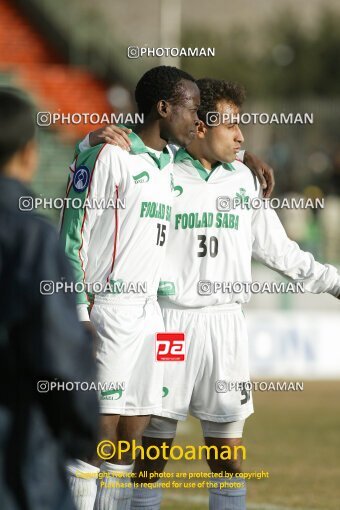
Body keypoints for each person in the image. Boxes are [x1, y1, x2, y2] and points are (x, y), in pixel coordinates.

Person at [85, 78, 340, 510]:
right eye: (232, 125)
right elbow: (115, 157)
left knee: (229, 457)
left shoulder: (244, 181)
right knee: (152, 454)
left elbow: (280, 252)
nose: (241, 136)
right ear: (200, 126)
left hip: (226, 326)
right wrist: (93, 136)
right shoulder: (162, 170)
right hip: (169, 324)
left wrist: (333, 282)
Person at [60, 66, 200, 510]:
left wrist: (250, 160)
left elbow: (220, 156)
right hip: (108, 309)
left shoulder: (170, 166)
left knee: (131, 432)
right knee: (97, 432)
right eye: (192, 109)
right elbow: (71, 236)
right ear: (163, 107)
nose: (198, 121)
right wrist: (79, 313)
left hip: (150, 313)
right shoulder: (110, 155)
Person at [0, 88, 98, 510]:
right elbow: (58, 352)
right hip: (17, 456)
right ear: (28, 153)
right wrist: (82, 431)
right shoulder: (31, 237)